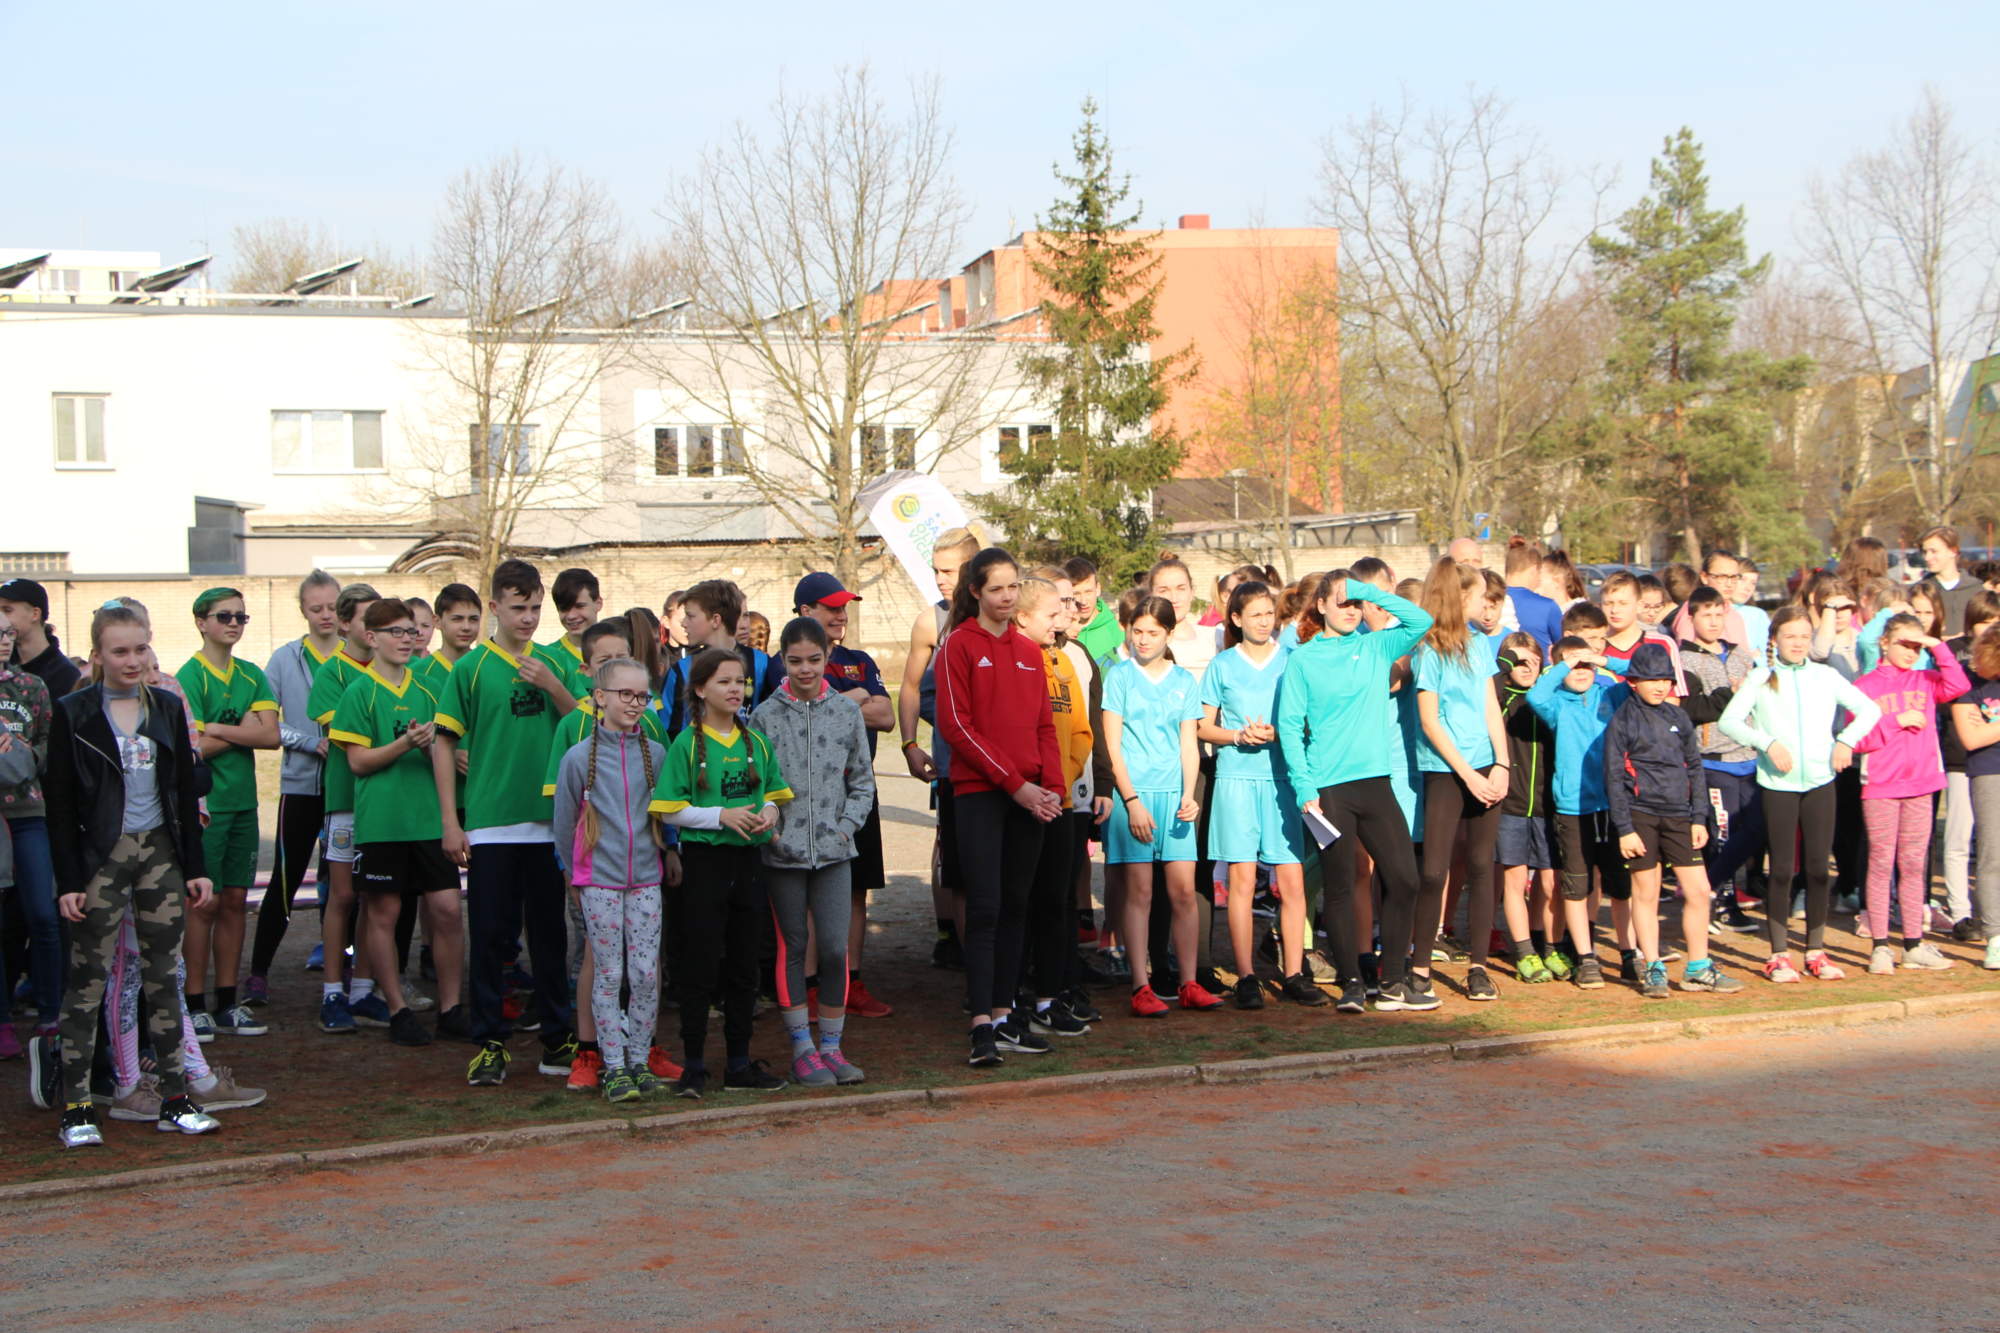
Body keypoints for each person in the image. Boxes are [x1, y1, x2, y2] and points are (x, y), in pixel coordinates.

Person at [44, 604, 219, 1147]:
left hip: (160, 853)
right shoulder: (73, 712)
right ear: (97, 655)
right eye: (119, 651)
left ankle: (175, 1099)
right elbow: (59, 804)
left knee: (164, 978)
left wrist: (195, 867)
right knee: (88, 981)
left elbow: (184, 792)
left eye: (140, 649)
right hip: (101, 856)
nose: (132, 660)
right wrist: (69, 881)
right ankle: (77, 1107)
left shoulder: (165, 705)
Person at [433, 559, 579, 1087]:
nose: (529, 617)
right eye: (519, 608)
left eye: (536, 607)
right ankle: (490, 1042)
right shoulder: (470, 669)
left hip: (548, 825)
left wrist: (554, 687)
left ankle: (557, 1038)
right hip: (492, 824)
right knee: (492, 937)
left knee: (550, 938)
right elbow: (444, 742)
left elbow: (584, 727)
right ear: (495, 606)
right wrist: (451, 822)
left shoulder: (555, 663)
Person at [1278, 570, 1434, 1013]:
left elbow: (1421, 621)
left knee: (1405, 879)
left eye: (1354, 604)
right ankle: (1351, 983)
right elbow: (1289, 726)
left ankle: (1393, 980)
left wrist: (1365, 592)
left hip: (1376, 782)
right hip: (1328, 789)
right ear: (1320, 606)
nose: (1349, 611)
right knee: (1341, 886)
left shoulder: (1375, 646)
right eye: (1340, 602)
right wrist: (1304, 786)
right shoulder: (1303, 660)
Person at [936, 548, 1063, 1067]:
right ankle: (981, 1024)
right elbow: (956, 727)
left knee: (1017, 906)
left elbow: (1044, 726)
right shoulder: (958, 645)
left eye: (1013, 587)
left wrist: (1051, 788)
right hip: (982, 796)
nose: (1008, 597)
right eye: (997, 589)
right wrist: (1016, 786)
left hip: (1031, 799)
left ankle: (1006, 1014)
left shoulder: (1030, 651)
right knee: (985, 908)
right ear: (975, 592)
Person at [650, 647, 792, 1097]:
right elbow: (669, 809)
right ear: (699, 689)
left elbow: (774, 795)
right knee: (700, 964)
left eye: (740, 682)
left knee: (745, 965)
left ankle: (738, 1063)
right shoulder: (686, 743)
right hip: (704, 864)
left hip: (748, 865)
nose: (735, 690)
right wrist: (720, 817)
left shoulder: (755, 742)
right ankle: (693, 1066)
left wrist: (768, 814)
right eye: (724, 681)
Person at [1719, 607, 1882, 981]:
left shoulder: (1825, 676)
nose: (1797, 644)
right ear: (1775, 639)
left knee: (1819, 870)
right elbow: (1729, 721)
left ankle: (1816, 952)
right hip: (1778, 785)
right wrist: (1767, 743)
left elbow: (1869, 710)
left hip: (1821, 783)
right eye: (1790, 636)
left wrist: (1846, 741)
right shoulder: (1761, 677)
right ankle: (1779, 955)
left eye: (1805, 637)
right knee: (1781, 870)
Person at [330, 598, 464, 1047]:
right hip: (382, 823)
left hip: (428, 821)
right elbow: (358, 763)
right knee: (383, 912)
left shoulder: (429, 689)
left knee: (447, 909)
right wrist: (405, 743)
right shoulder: (359, 692)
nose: (407, 640)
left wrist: (450, 819)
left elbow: (443, 757)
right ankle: (396, 1009)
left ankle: (451, 1008)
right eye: (397, 632)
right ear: (372, 638)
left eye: (411, 631)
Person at [751, 618, 874, 1087]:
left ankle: (832, 1048)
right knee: (793, 946)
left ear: (827, 658)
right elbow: (754, 783)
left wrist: (845, 828)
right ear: (783, 660)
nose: (805, 669)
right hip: (782, 853)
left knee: (835, 948)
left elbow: (862, 781)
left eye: (814, 660)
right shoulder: (765, 716)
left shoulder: (845, 712)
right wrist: (771, 833)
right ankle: (802, 1049)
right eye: (795, 661)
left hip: (835, 852)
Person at [768, 572, 895, 1019]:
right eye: (832, 607)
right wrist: (856, 698)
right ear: (806, 611)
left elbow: (886, 716)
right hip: (802, 801)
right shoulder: (783, 662)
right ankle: (809, 985)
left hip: (853, 797)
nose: (841, 615)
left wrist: (846, 698)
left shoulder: (860, 659)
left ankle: (851, 980)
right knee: (805, 893)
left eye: (844, 607)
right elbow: (801, 708)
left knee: (857, 889)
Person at [552, 656, 675, 1103]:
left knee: (644, 973)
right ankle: (615, 1066)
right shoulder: (576, 758)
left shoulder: (656, 754)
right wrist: (573, 874)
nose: (635, 703)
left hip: (645, 879)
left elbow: (666, 813)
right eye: (626, 694)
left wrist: (669, 854)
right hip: (598, 882)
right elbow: (564, 822)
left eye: (642, 695)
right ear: (599, 697)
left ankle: (639, 1060)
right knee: (608, 973)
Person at [1198, 581, 1318, 1008]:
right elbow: (1202, 726)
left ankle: (1294, 972)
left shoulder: (1293, 661)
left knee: (1292, 881)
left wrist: (1280, 734)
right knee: (1242, 879)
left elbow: (1309, 722)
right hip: (1235, 781)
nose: (1265, 622)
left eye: (1269, 614)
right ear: (1236, 619)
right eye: (1255, 615)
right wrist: (1236, 735)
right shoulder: (1222, 665)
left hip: (1283, 780)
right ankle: (1247, 976)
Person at [1604, 643, 1742, 998]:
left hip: (1681, 817)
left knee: (1698, 891)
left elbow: (1694, 768)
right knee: (1646, 893)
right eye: (1651, 680)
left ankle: (1698, 968)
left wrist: (1699, 818)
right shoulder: (1622, 720)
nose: (1660, 686)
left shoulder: (1678, 717)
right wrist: (1625, 829)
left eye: (1665, 679)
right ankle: (1653, 967)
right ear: (1633, 682)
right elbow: (1614, 778)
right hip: (1640, 816)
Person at [1102, 592, 1216, 1018]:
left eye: (1152, 632)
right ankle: (1140, 985)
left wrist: (1189, 794)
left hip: (1175, 800)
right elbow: (1112, 747)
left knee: (1184, 891)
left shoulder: (1184, 681)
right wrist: (1131, 801)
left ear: (1168, 633)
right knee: (1141, 891)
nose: (1143, 639)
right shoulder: (1119, 677)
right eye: (1137, 631)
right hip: (1133, 798)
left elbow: (1189, 743)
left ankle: (1188, 983)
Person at [175, 587, 281, 1040]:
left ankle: (227, 1000)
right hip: (208, 808)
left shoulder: (252, 673)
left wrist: (218, 728)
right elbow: (193, 748)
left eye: (241, 616)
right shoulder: (189, 676)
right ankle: (194, 1003)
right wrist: (242, 730)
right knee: (205, 903)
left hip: (243, 803)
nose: (234, 623)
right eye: (224, 616)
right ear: (201, 622)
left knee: (236, 900)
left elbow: (271, 736)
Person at [1412, 558, 1510, 1001]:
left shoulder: (1480, 644)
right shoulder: (1428, 650)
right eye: (1480, 596)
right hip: (1445, 771)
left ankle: (1478, 968)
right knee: (1434, 871)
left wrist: (1502, 764)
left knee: (1481, 866)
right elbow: (1430, 721)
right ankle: (1420, 967)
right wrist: (1467, 775)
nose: (1485, 605)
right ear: (1461, 596)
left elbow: (1491, 707)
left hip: (1487, 769)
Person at [1851, 614, 1969, 972]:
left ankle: (1914, 943)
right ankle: (1880, 946)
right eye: (1904, 643)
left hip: (1922, 783)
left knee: (1915, 864)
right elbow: (1855, 738)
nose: (1910, 652)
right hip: (1882, 786)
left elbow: (1959, 685)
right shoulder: (1865, 686)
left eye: (1916, 646)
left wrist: (1937, 646)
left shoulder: (1926, 679)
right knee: (1881, 861)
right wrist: (1894, 722)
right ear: (1884, 643)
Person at [246, 570, 341, 1005]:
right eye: (315, 608)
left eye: (332, 607)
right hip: (301, 785)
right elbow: (264, 722)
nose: (325, 615)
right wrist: (307, 742)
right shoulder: (285, 659)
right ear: (302, 610)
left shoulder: (357, 656)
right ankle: (258, 973)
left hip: (348, 787)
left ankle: (345, 966)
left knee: (344, 885)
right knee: (285, 881)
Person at [1014, 574, 1098, 1035]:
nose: (1062, 618)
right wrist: (1033, 786)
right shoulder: (1014, 662)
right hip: (1024, 802)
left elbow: (1081, 730)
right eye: (1051, 612)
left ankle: (1052, 995)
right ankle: (1015, 997)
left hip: (1060, 799)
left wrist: (1061, 778)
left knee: (1055, 901)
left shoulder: (1063, 662)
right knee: (1019, 903)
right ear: (1023, 617)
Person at [1526, 637, 1630, 990]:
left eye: (1585, 665)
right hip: (1573, 807)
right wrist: (1566, 664)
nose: (1581, 671)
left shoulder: (1609, 695)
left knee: (1620, 886)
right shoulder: (1556, 703)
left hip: (1612, 806)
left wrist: (1601, 660)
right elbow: (1536, 695)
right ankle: (1585, 957)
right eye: (1573, 666)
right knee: (1576, 885)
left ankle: (1628, 953)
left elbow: (1638, 674)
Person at [899, 527, 979, 969]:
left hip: (1002, 767)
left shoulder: (998, 615)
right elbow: (911, 688)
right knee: (952, 852)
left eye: (948, 571)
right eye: (935, 570)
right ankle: (953, 937)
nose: (939, 579)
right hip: (952, 766)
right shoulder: (930, 621)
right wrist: (910, 744)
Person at [306, 583, 380, 1035]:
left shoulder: (396, 668)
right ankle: (333, 991)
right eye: (367, 619)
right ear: (346, 623)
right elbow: (349, 733)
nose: (375, 628)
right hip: (346, 800)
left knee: (375, 896)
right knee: (343, 895)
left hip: (385, 801)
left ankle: (364, 989)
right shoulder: (332, 671)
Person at [1675, 585, 1763, 930]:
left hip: (1750, 757)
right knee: (1721, 835)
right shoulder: (1685, 660)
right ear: (1692, 618)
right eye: (1705, 615)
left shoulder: (1741, 655)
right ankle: (1721, 905)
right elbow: (1693, 708)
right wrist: (1732, 694)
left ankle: (1713, 892)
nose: (1712, 622)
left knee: (1752, 830)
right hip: (1713, 760)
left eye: (1717, 614)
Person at [1492, 633, 1568, 984]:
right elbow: (1492, 680)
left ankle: (1547, 945)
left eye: (1533, 662)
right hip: (1511, 804)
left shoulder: (1550, 699)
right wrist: (1505, 665)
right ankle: (1523, 951)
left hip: (1548, 805)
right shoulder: (1499, 697)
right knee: (1515, 878)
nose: (1526, 668)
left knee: (1550, 881)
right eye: (1518, 661)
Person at [0, 622, 57, 1051]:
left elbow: (48, 743)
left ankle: (51, 1013)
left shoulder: (31, 686)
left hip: (28, 810)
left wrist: (21, 752)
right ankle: (3, 1021)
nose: (4, 640)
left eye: (8, 633)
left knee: (43, 912)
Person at [1938, 592, 1999, 940]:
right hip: (1980, 768)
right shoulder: (1966, 676)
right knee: (1983, 850)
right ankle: (1985, 928)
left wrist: (1991, 727)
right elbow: (1972, 737)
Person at [658, 580, 772, 734]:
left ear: (715, 620)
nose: (684, 623)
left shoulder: (761, 664)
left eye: (690, 616)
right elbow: (668, 733)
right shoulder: (682, 670)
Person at [1948, 627, 2000, 968]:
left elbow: (1984, 731)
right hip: (1989, 772)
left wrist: (1990, 728)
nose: (1975, 662)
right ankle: (1995, 936)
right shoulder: (1968, 683)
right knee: (1992, 855)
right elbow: (1972, 737)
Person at [0, 577, 82, 699]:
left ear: (35, 614)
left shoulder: (65, 675)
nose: (1, 616)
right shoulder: (4, 665)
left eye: (7, 610)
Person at [547, 567, 604, 700]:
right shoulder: (550, 657)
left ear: (598, 604)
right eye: (564, 608)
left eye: (579, 606)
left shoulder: (620, 650)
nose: (571, 616)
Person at [1503, 543, 1561, 652]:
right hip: (1538, 662)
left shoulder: (1489, 602)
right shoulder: (1547, 607)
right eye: (1539, 573)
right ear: (1534, 569)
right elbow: (1563, 647)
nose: (1540, 580)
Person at [1920, 525, 1981, 628]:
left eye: (1933, 551)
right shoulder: (1920, 590)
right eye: (1925, 552)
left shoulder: (1976, 589)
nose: (1927, 557)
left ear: (1953, 551)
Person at [1066, 557, 1123, 665]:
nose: (1083, 601)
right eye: (1076, 593)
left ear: (1098, 589)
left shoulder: (1116, 631)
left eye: (1088, 592)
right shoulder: (1057, 632)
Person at [1732, 557, 1770, 658]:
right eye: (1742, 580)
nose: (1748, 588)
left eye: (1753, 583)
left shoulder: (1758, 615)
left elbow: (1768, 654)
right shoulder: (1712, 611)